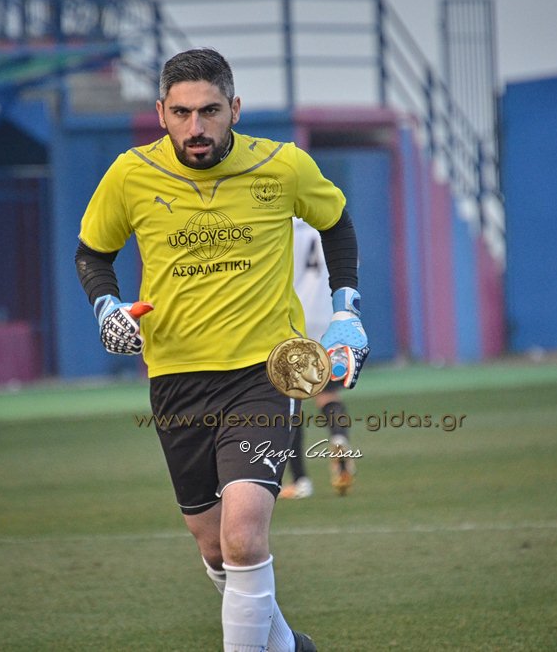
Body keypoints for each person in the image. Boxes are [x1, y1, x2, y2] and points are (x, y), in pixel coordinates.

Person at [74, 48, 369, 652]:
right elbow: (93, 253)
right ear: (161, 112)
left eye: (209, 111)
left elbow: (336, 223)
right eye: (181, 113)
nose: (196, 126)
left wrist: (345, 312)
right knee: (214, 547)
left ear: (234, 108)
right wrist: (106, 307)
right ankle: (289, 647)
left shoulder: (282, 165)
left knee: (243, 537)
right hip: (175, 379)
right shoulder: (130, 174)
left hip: (266, 373)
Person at [281, 218, 358, 499]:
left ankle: (301, 480)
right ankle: (338, 439)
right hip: (329, 317)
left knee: (291, 401)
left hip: (295, 317)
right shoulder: (331, 221)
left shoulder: (283, 221)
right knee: (328, 395)